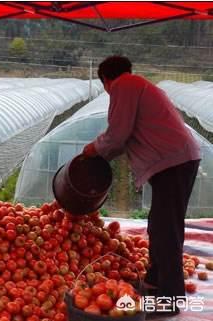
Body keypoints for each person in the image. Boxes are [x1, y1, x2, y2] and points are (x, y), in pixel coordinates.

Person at [82, 56, 201, 317]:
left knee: (166, 229)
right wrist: (102, 151)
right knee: (160, 225)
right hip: (175, 160)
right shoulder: (137, 85)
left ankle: (169, 299)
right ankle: (155, 283)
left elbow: (118, 134)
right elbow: (123, 136)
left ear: (106, 80)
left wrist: (93, 149)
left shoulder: (124, 86)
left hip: (174, 162)